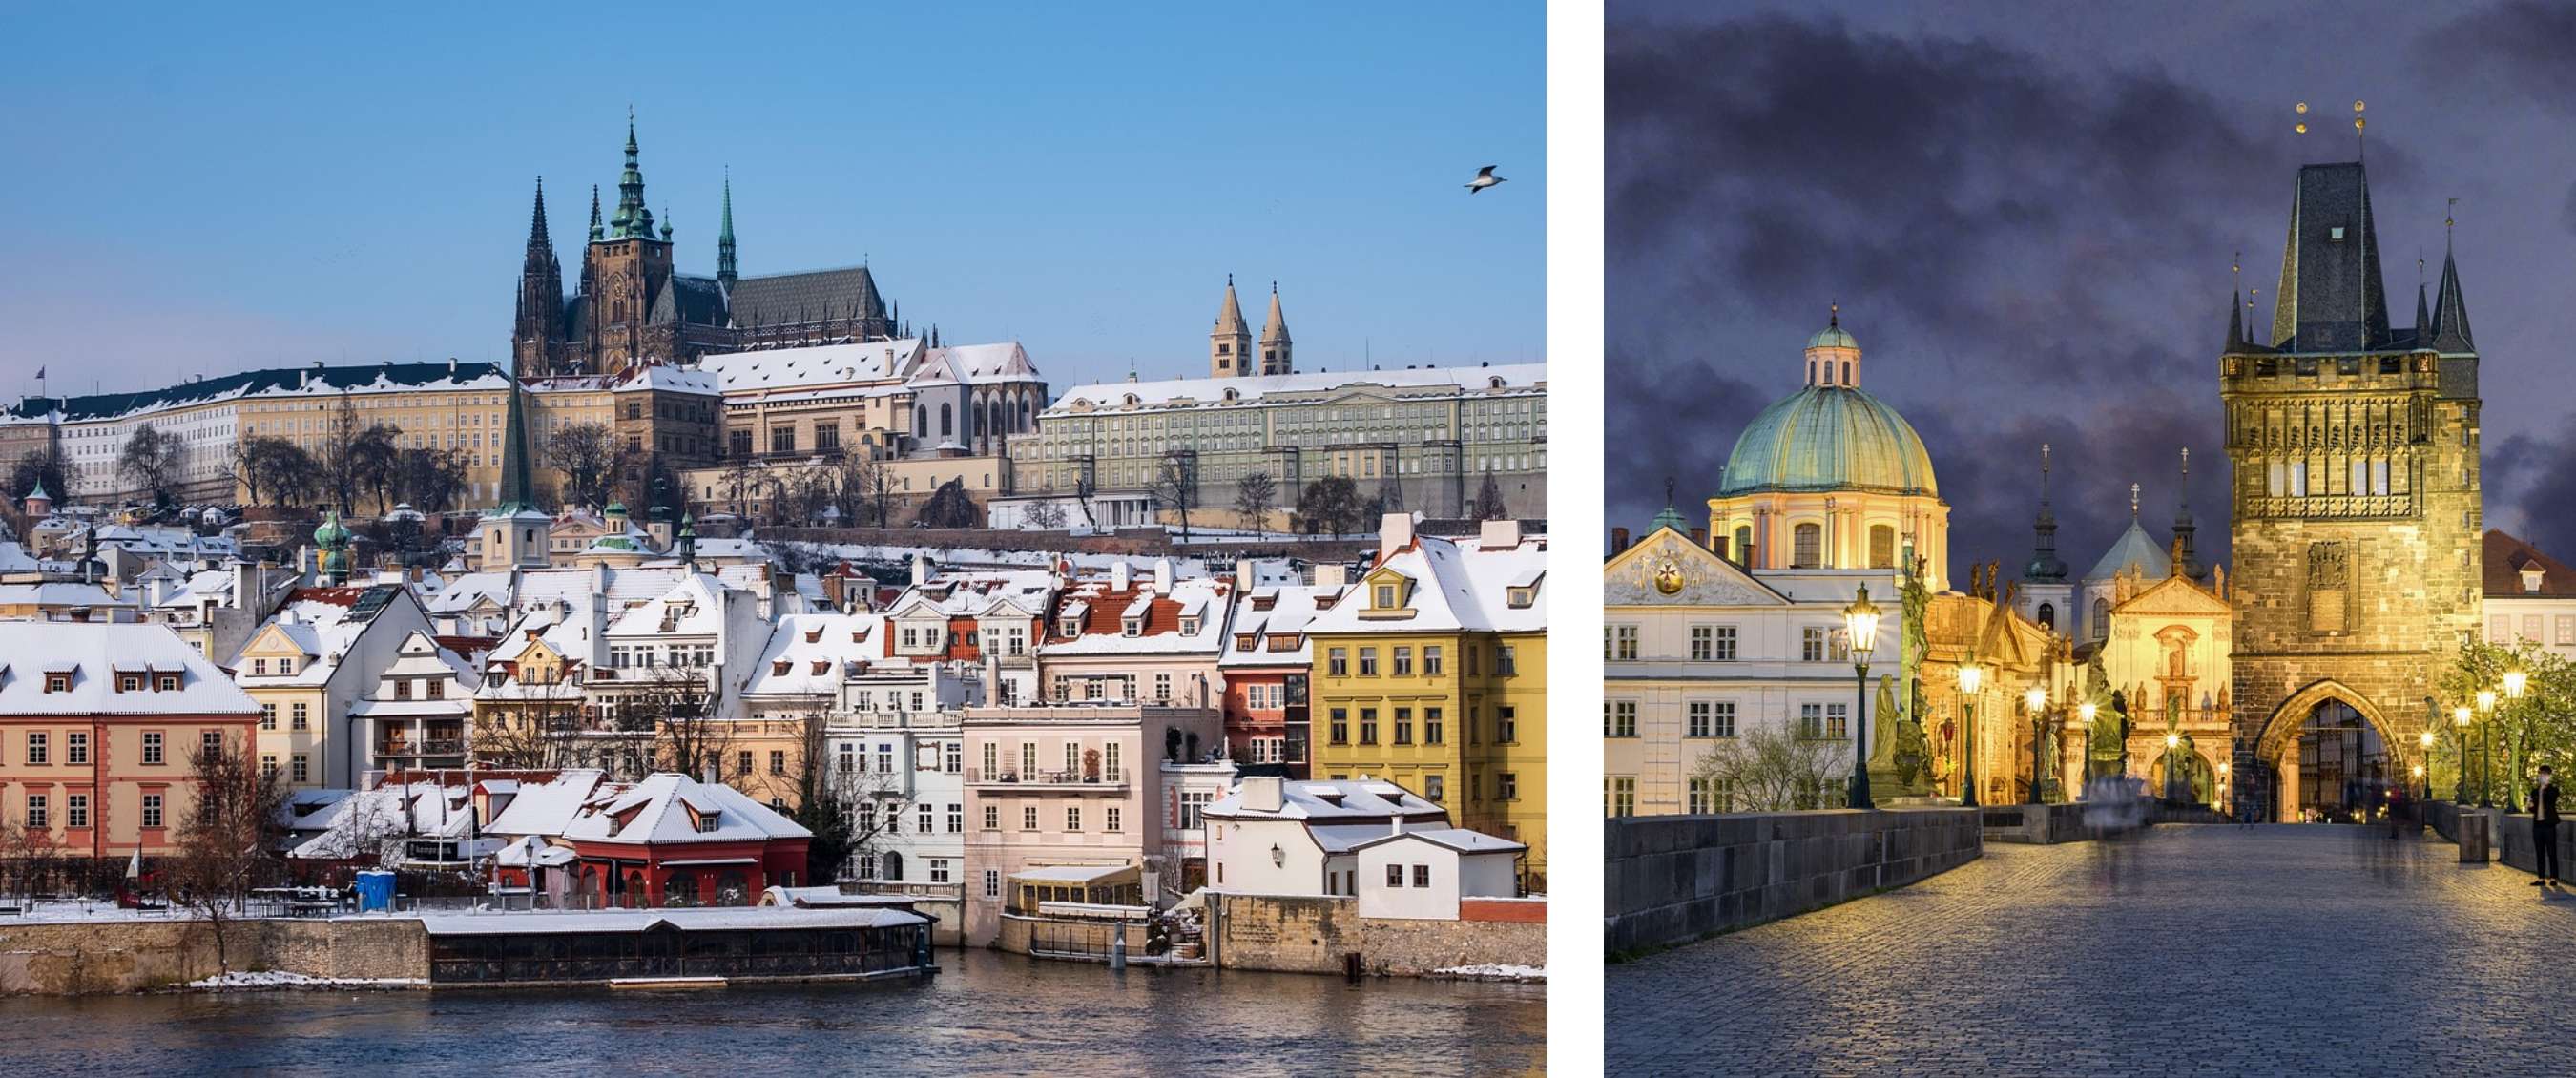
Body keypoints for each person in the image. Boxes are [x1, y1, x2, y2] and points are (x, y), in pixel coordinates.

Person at [2532, 765, 2562, 888]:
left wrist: (2544, 788)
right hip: (2537, 825)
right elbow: (2532, 808)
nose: (2541, 776)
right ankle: (2541, 878)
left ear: (2549, 776)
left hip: (2549, 825)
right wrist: (2530, 805)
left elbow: (2551, 800)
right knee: (2539, 852)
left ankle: (2554, 877)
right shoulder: (2534, 791)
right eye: (2540, 774)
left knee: (2551, 852)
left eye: (2544, 774)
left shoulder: (2553, 790)